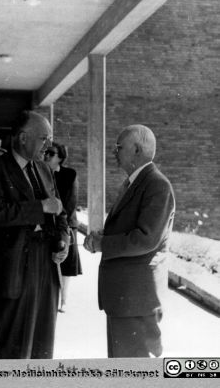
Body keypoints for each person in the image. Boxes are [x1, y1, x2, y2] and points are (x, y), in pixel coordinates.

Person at [0, 110, 70, 359]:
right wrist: (39, 207)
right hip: (15, 268)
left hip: (46, 267)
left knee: (43, 345)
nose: (49, 145)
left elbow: (60, 211)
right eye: (44, 138)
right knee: (12, 348)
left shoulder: (43, 169)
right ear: (23, 138)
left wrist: (63, 240)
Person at [84, 124, 175, 358]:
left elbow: (145, 239)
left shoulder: (157, 185)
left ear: (136, 150)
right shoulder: (134, 182)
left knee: (135, 371)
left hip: (136, 300)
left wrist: (103, 244)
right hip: (125, 299)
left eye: (119, 147)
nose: (114, 152)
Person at [44, 142, 82, 313]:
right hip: (47, 224)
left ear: (60, 158)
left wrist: (62, 224)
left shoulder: (69, 174)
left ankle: (64, 299)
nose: (46, 156)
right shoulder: (41, 173)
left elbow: (70, 203)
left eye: (51, 154)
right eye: (46, 152)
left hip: (65, 223)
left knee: (66, 263)